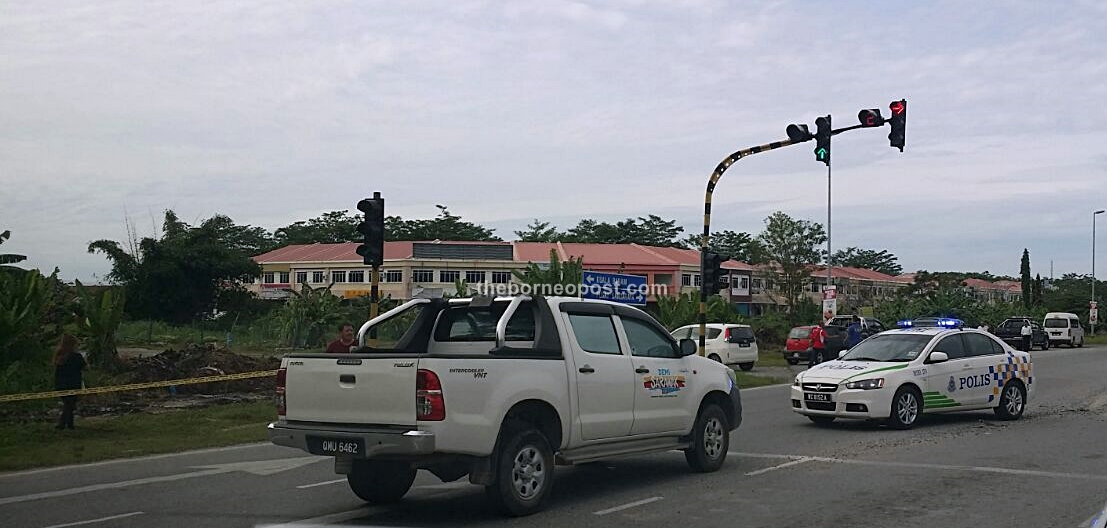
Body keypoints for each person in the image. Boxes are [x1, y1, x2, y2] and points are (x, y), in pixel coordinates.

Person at [53, 334, 87, 430]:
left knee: (68, 404)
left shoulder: (59, 356)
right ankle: (64, 424)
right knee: (70, 404)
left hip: (60, 384)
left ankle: (68, 424)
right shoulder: (76, 356)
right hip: (73, 384)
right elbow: (84, 366)